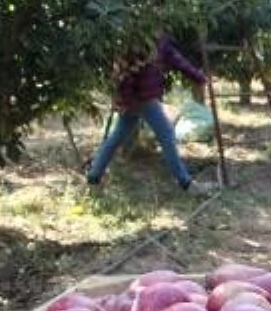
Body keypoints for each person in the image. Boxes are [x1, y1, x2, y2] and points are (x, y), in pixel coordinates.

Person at [85, 31, 217, 195]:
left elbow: (177, 60)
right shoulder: (143, 38)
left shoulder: (150, 38)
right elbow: (127, 71)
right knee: (166, 134)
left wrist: (199, 77)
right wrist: (201, 78)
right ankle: (186, 184)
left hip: (134, 98)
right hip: (143, 98)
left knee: (117, 136)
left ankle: (93, 177)